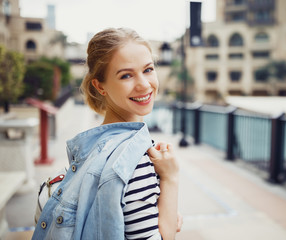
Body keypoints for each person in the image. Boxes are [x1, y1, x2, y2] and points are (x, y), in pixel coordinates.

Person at [32, 28, 181, 240]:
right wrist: (170, 177)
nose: (144, 84)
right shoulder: (136, 161)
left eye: (148, 69)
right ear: (100, 86)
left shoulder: (91, 145)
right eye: (126, 75)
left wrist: (165, 212)